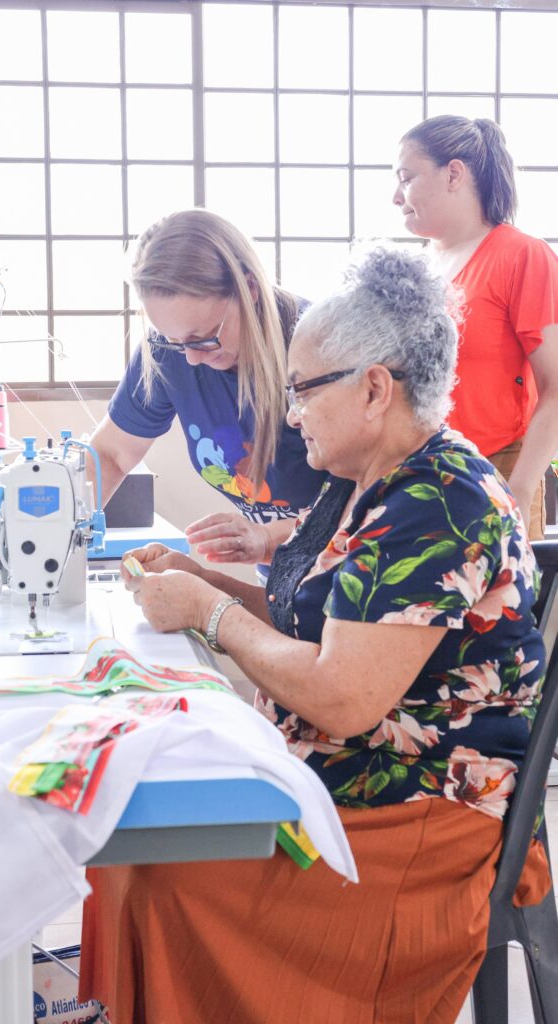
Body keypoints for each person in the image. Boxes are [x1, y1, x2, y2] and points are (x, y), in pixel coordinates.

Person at [78, 249, 548, 1024]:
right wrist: (204, 582)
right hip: (344, 768)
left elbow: (341, 697)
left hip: (419, 811)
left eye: (301, 392)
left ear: (373, 387)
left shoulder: (438, 501)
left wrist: (207, 612)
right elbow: (316, 624)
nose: (290, 416)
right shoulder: (366, 480)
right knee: (121, 835)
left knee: (156, 872)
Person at [89, 208, 329, 568]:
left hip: (352, 569)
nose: (190, 360)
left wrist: (264, 538)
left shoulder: (318, 348)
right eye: (174, 341)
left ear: (248, 289)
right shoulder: (167, 353)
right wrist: (54, 534)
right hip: (283, 572)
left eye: (203, 340)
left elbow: (363, 498)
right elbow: (110, 456)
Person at [393, 114, 558, 540]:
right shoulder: (418, 268)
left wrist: (518, 490)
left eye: (406, 178)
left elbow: (556, 386)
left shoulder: (522, 256)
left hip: (496, 470)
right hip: (417, 472)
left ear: (454, 174)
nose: (396, 196)